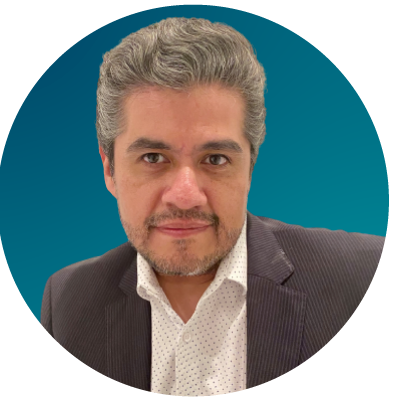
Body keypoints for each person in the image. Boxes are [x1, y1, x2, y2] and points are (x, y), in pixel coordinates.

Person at [40, 17, 385, 395]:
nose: (185, 195)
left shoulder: (362, 277)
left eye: (216, 159)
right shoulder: (69, 301)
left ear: (249, 167)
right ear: (109, 169)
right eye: (153, 158)